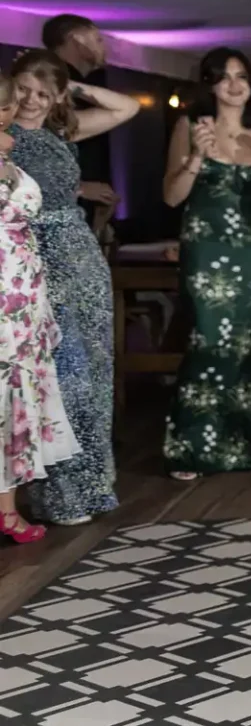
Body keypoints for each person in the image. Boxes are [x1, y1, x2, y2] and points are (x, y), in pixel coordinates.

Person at [6, 52, 137, 525]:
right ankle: (58, 496)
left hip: (83, 262)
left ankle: (92, 487)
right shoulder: (4, 140)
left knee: (95, 376)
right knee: (61, 380)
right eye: (24, 89)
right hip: (34, 263)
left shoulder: (63, 131)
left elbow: (127, 108)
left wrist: (74, 89)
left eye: (44, 93)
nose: (32, 101)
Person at [161, 48, 251, 479]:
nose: (234, 85)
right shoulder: (192, 126)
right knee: (207, 340)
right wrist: (197, 157)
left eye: (241, 77)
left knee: (247, 346)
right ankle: (190, 447)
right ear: (210, 84)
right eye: (224, 77)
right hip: (206, 248)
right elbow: (172, 197)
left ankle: (243, 444)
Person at [0, 78, 79, 544]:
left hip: (24, 291)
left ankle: (6, 510)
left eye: (7, 106)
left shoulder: (10, 150)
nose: (8, 112)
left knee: (16, 396)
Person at [41, 14, 117, 192]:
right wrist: (80, 187)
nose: (104, 48)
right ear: (77, 40)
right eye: (98, 40)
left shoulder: (84, 83)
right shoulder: (49, 83)